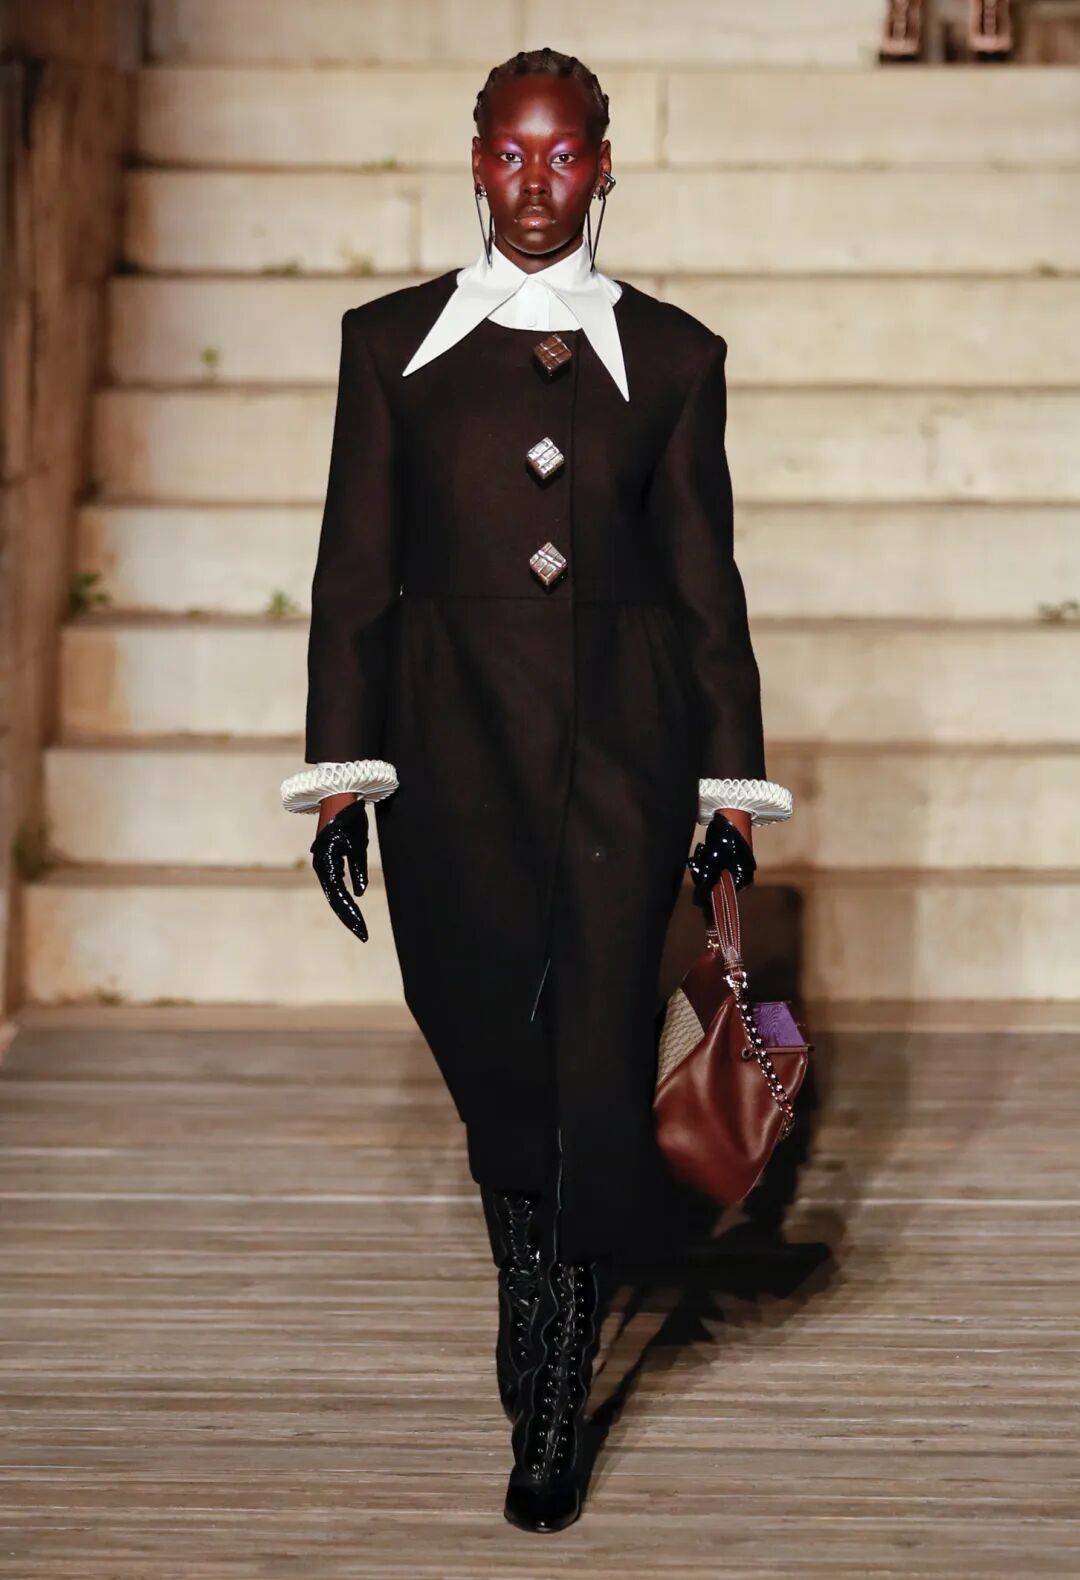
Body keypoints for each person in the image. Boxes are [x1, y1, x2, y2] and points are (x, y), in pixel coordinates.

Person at [280, 47, 792, 1534]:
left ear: (605, 166)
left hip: (623, 756)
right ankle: (527, 1272)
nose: (535, 184)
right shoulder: (391, 347)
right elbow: (353, 572)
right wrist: (341, 778)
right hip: (448, 752)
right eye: (511, 154)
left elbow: (706, 584)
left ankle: (558, 1390)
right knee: (483, 1036)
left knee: (590, 1058)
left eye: (565, 156)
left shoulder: (674, 359)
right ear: (476, 161)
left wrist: (728, 793)